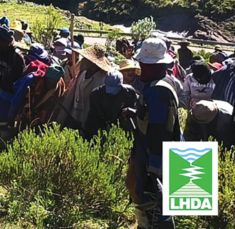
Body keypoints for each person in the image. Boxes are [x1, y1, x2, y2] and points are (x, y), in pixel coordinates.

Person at [127, 38, 181, 229]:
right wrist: (137, 113)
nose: (140, 66)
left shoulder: (157, 91)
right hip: (154, 154)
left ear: (152, 66)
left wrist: (154, 169)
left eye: (143, 64)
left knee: (156, 205)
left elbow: (159, 130)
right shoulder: (161, 84)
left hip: (154, 158)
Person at [57, 46, 115, 130]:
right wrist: (61, 119)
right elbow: (71, 96)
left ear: (93, 64)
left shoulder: (101, 79)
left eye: (86, 59)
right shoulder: (82, 74)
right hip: (75, 116)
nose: (82, 61)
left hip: (88, 121)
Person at [82, 70, 139, 139]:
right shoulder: (95, 95)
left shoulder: (129, 92)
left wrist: (130, 111)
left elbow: (136, 109)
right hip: (100, 126)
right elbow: (93, 118)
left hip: (121, 128)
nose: (111, 95)